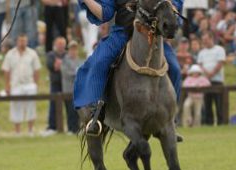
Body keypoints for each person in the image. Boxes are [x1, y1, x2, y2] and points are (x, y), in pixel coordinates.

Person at [74, 0, 184, 136]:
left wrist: (171, 8)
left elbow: (175, 4)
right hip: (121, 34)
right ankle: (96, 115)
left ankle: (170, 120)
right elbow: (105, 13)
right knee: (99, 63)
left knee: (174, 69)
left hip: (152, 35)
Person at [2, 34, 41, 135]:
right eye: (21, 41)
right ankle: (17, 131)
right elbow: (6, 71)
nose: (22, 43)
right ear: (17, 41)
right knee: (16, 106)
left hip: (29, 83)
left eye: (24, 41)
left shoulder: (32, 53)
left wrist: (35, 84)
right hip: (15, 84)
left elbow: (37, 70)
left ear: (27, 42)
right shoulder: (10, 54)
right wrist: (7, 85)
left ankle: (30, 130)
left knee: (31, 106)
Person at [197, 31, 226, 125]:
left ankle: (221, 123)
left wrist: (211, 74)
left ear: (211, 38)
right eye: (203, 40)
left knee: (219, 103)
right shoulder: (201, 52)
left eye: (206, 40)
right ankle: (209, 123)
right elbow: (200, 65)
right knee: (207, 103)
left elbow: (220, 63)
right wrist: (206, 74)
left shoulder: (220, 49)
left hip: (217, 80)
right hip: (205, 82)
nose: (204, 42)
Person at [42, 37, 67, 137]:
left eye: (62, 44)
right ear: (55, 45)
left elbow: (70, 66)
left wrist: (60, 65)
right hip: (55, 83)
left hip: (67, 83)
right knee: (53, 105)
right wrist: (59, 65)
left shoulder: (67, 54)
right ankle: (52, 127)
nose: (61, 46)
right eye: (59, 44)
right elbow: (51, 66)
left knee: (70, 106)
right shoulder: (51, 55)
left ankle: (72, 127)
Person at [61, 40, 83, 134]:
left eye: (75, 49)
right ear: (68, 50)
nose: (73, 51)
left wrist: (77, 73)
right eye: (72, 49)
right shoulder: (65, 61)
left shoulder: (81, 61)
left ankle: (77, 128)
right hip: (68, 90)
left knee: (78, 111)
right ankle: (70, 128)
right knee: (70, 110)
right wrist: (77, 73)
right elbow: (67, 73)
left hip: (78, 90)